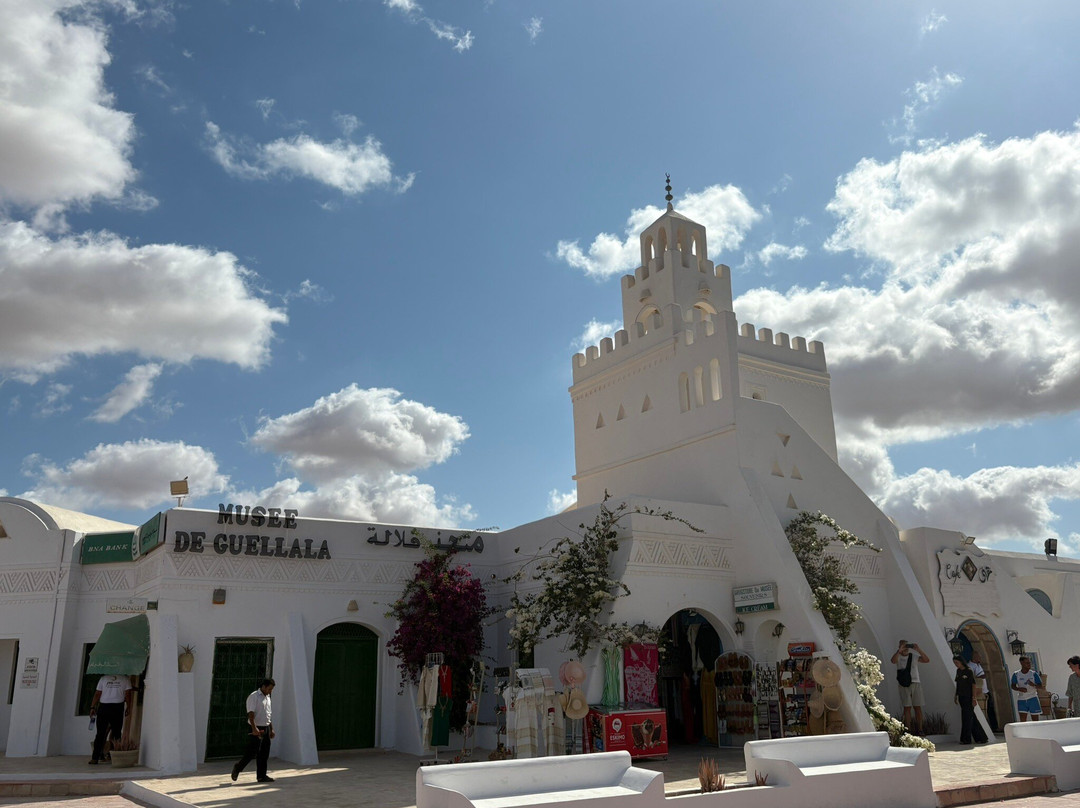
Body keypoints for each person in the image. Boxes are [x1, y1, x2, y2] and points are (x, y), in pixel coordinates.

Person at [231, 678, 276, 783]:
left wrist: (271, 729)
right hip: (255, 727)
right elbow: (251, 714)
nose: (270, 691)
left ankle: (261, 776)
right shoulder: (254, 696)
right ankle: (238, 767)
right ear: (263, 686)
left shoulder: (268, 698)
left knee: (264, 753)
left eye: (272, 689)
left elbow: (268, 715)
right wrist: (254, 728)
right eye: (269, 689)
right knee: (251, 752)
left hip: (265, 728)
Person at [88, 673, 133, 764]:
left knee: (100, 732)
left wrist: (92, 707)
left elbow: (98, 693)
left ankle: (95, 757)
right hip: (117, 707)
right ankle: (115, 757)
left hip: (104, 707)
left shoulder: (103, 679)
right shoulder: (125, 679)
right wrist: (128, 706)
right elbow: (128, 694)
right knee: (116, 733)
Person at [891, 639, 930, 734]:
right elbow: (893, 661)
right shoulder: (898, 657)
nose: (905, 648)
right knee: (907, 707)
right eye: (903, 646)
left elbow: (926, 660)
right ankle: (908, 729)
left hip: (915, 682)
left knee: (917, 707)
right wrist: (899, 651)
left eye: (907, 646)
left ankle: (920, 729)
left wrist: (918, 649)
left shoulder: (914, 656)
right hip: (904, 684)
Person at [953, 656, 988, 744]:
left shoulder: (968, 671)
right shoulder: (958, 671)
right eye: (955, 663)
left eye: (957, 662)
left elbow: (973, 685)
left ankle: (966, 739)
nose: (956, 664)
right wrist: (956, 695)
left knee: (967, 718)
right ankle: (981, 737)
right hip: (961, 697)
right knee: (971, 717)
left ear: (961, 662)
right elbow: (958, 684)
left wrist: (974, 698)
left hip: (968, 697)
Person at [1010, 656, 1042, 721]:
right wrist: (1019, 689)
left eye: (1029, 663)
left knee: (1035, 720)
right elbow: (1013, 686)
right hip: (1022, 699)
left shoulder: (1033, 674)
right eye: (1027, 663)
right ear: (1021, 663)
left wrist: (1033, 685)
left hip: (1032, 698)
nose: (1029, 664)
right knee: (1023, 720)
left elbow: (1040, 686)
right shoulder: (1016, 674)